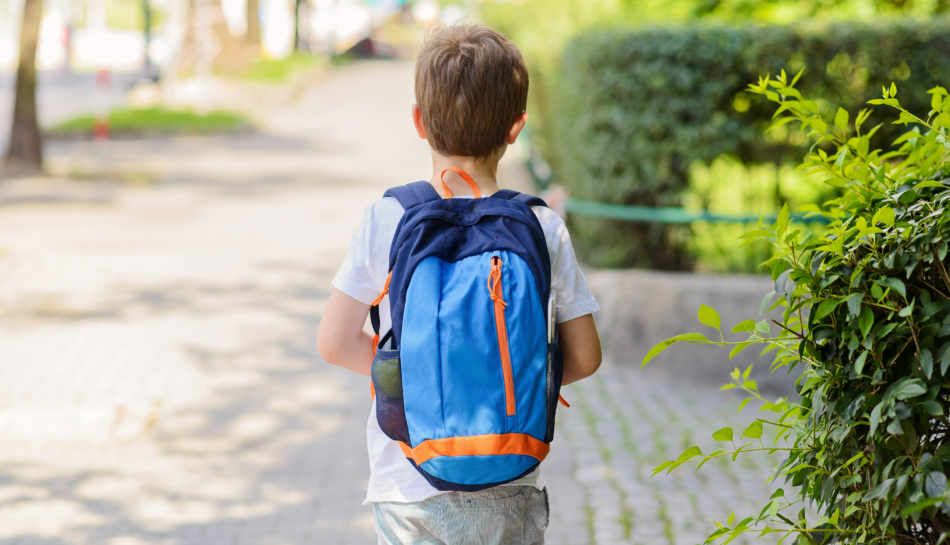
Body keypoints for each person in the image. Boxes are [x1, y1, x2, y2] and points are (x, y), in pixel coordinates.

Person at [317, 23, 602, 545]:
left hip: (406, 481)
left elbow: (334, 343)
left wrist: (423, 379)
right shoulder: (541, 227)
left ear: (419, 122)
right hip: (508, 473)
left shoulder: (388, 217)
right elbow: (584, 359)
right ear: (516, 127)